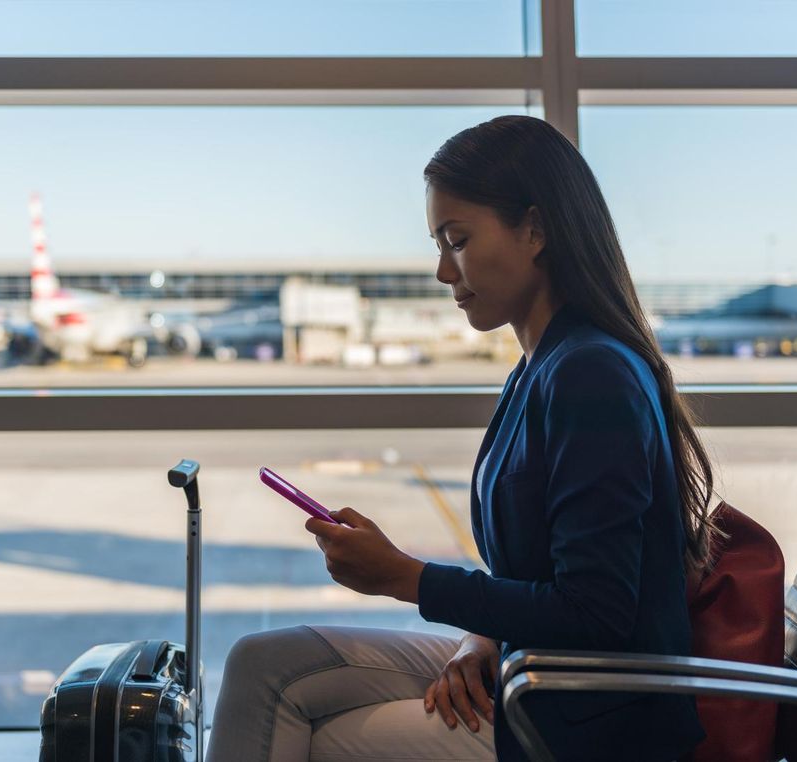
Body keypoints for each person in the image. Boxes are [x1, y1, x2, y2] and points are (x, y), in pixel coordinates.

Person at [206, 115, 718, 762]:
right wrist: (479, 634)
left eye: (457, 240)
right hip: (532, 670)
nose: (443, 272)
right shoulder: (539, 368)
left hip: (589, 720)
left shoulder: (591, 375)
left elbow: (596, 615)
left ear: (535, 230)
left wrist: (407, 579)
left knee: (311, 731)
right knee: (263, 664)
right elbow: (539, 575)